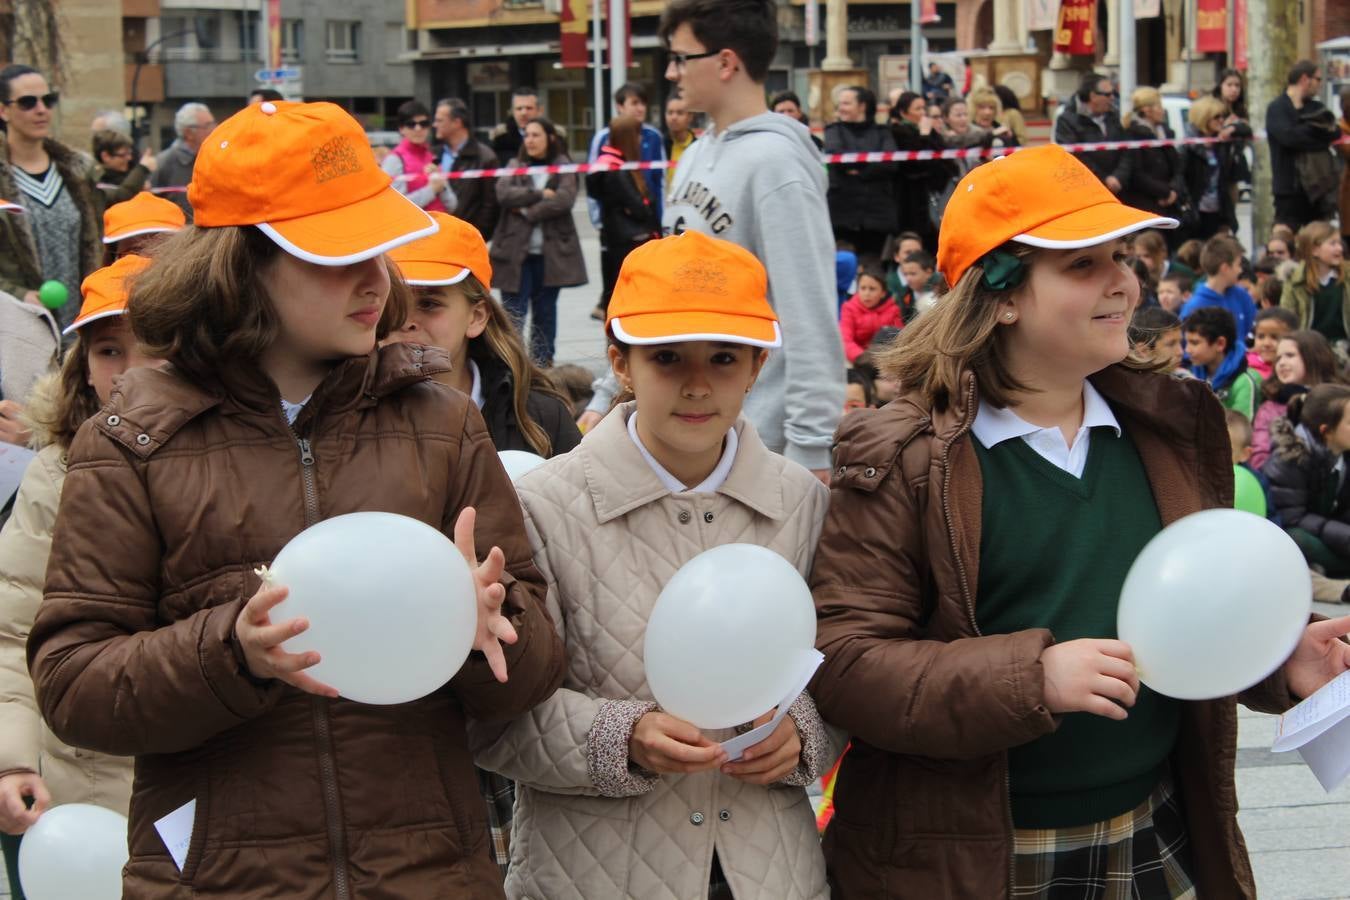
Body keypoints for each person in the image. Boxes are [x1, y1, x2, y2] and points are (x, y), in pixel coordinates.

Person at [25, 99, 567, 897]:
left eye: (379, 250)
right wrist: (231, 652)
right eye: (334, 255)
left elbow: (531, 673)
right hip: (218, 880)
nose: (374, 279)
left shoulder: (443, 423)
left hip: (426, 876)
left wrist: (489, 628)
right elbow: (73, 686)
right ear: (239, 263)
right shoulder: (132, 440)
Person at [809, 142, 1350, 899]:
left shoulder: (1172, 425)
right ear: (1000, 296)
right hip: (975, 861)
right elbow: (845, 663)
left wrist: (1275, 660)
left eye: (1123, 257)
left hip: (1157, 832)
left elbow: (1185, 621)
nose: (1125, 284)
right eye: (1083, 264)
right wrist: (1032, 677)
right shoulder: (902, 454)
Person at [469, 231, 840, 900]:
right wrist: (620, 738)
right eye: (667, 358)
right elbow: (489, 715)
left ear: (756, 366)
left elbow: (843, 668)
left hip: (769, 870)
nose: (697, 384)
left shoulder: (802, 504)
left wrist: (807, 732)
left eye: (724, 358)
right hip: (591, 874)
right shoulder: (541, 506)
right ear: (620, 360)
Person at [385, 212, 579, 875]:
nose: (408, 320)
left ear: (475, 317)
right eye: (394, 302)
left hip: (514, 677)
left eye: (431, 304)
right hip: (404, 688)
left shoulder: (539, 415)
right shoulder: (349, 418)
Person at [584, 0, 845, 481]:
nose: (670, 72)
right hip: (689, 433)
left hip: (758, 439)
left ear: (726, 62)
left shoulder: (777, 164)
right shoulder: (698, 152)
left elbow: (809, 314)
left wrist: (811, 449)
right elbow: (656, 289)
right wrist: (607, 393)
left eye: (682, 58)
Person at [0, 256, 161, 899]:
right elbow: (15, 628)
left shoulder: (233, 470)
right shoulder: (53, 475)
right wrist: (12, 756)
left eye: (154, 346)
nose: (129, 370)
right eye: (108, 350)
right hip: (83, 786)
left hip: (209, 786)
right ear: (83, 367)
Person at [0, 65, 104, 333]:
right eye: (27, 102)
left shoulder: (79, 173)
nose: (41, 109)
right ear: (3, 111)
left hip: (80, 326)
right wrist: (18, 294)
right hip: (17, 327)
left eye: (48, 100)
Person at [491, 117, 587, 367]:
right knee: (513, 313)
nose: (530, 140)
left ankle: (543, 365)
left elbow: (564, 199)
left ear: (550, 138)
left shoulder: (563, 166)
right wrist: (539, 194)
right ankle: (512, 363)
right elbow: (503, 193)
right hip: (515, 254)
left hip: (550, 255)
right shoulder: (515, 163)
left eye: (536, 135)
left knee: (545, 313)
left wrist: (527, 212)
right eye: (527, 135)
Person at [1264, 384, 1350, 577]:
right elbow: (1292, 517)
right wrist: (1344, 536)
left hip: (1328, 528)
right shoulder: (1290, 458)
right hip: (1297, 530)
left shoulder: (1344, 454)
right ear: (1326, 431)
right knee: (1297, 539)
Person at [587, 117, 661, 320]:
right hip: (629, 242)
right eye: (637, 135)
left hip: (619, 240)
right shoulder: (616, 170)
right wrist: (645, 203)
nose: (640, 140)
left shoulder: (609, 164)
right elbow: (639, 207)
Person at [824, 86, 899, 260]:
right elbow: (838, 157)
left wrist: (859, 172)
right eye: (840, 103)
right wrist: (870, 166)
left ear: (862, 106)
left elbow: (890, 164)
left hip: (876, 216)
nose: (840, 108)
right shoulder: (834, 131)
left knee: (872, 267)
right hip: (842, 215)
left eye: (846, 103)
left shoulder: (882, 132)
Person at [1251, 328, 1340, 470]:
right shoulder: (1270, 407)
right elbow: (1259, 457)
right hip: (1284, 483)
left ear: (1314, 357)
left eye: (1290, 355)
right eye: (1278, 357)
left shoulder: (1338, 401)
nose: (1281, 363)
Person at [1266, 60, 1338, 233]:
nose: (1320, 85)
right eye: (1318, 79)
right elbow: (1288, 137)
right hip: (1288, 189)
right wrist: (1315, 134)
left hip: (1317, 190)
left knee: (1317, 240)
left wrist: (1305, 133)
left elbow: (1332, 132)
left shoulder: (1317, 107)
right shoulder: (1277, 108)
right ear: (1305, 79)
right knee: (1286, 238)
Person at [588, 82, 666, 225]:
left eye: (643, 103)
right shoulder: (602, 138)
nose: (641, 108)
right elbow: (593, 181)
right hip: (615, 225)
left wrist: (662, 218)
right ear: (620, 106)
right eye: (635, 103)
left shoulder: (654, 136)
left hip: (648, 219)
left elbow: (660, 181)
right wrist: (598, 220)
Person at [1120, 87, 1186, 241]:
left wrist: (1174, 190)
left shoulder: (1166, 133)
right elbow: (1137, 174)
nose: (1162, 111)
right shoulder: (1133, 134)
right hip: (1146, 204)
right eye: (1159, 106)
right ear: (1147, 110)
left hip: (1169, 203)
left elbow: (1177, 166)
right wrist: (1164, 192)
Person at [889, 91, 950, 251]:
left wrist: (929, 134)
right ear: (904, 112)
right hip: (910, 195)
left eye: (924, 108)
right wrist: (923, 135)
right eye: (917, 109)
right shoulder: (898, 132)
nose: (923, 113)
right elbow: (913, 162)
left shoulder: (930, 129)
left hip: (933, 190)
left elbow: (943, 153)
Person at [432, 98, 501, 240]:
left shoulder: (485, 157)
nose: (434, 125)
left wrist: (477, 236)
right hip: (435, 236)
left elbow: (490, 205)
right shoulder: (433, 155)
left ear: (457, 122)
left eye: (440, 120)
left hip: (466, 239)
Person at [1054, 72, 1133, 195]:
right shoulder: (1067, 120)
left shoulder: (1114, 116)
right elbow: (1074, 156)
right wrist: (1104, 179)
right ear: (1092, 96)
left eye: (1113, 93)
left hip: (1119, 188)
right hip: (1087, 190)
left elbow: (1127, 149)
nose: (1112, 98)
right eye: (1107, 94)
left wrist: (1118, 176)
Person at [1181, 96, 1247, 241]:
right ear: (1204, 118)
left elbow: (1246, 130)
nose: (1221, 120)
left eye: (1223, 117)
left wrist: (1232, 128)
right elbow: (1181, 179)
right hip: (1197, 210)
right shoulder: (1189, 146)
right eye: (1216, 117)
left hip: (1218, 209)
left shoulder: (1221, 142)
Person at [1185, 305, 1263, 418]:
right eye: (1187, 342)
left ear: (1220, 344)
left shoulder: (1245, 382)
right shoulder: (1190, 376)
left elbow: (1240, 431)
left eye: (1195, 343)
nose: (1187, 350)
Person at [1180, 234, 1257, 347]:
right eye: (1238, 265)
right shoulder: (1195, 307)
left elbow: (1251, 331)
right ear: (1225, 268)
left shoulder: (1242, 296)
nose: (1240, 270)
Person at [1281, 222, 1349, 348]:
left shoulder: (1347, 278)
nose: (1340, 248)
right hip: (1309, 349)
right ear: (1314, 250)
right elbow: (1286, 320)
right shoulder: (1295, 281)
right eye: (1333, 243)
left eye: (1339, 243)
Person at [382, 100, 455, 216]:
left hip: (441, 226)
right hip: (414, 230)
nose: (418, 128)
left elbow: (452, 204)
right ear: (401, 129)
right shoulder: (394, 160)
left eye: (424, 123)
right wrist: (431, 190)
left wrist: (442, 184)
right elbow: (395, 207)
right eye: (411, 124)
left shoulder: (432, 156)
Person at [150, 101, 215, 220]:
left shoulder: (214, 158)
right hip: (179, 233)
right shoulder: (163, 163)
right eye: (207, 126)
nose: (214, 130)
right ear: (188, 133)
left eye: (213, 124)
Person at [100, 190, 185, 263]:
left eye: (159, 250)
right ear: (114, 258)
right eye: (134, 252)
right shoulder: (98, 281)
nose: (145, 260)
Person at [839, 265, 901, 362]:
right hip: (857, 359)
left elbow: (900, 338)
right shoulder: (849, 308)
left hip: (884, 360)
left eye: (872, 289)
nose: (867, 293)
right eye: (863, 288)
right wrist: (861, 357)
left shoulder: (893, 310)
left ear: (883, 293)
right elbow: (845, 339)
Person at [89, 128, 155, 205]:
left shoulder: (129, 176)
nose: (129, 158)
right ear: (106, 156)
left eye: (130, 153)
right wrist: (142, 168)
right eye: (124, 154)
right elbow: (122, 196)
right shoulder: (95, 181)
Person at [937, 96, 992, 178]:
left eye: (965, 114)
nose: (963, 119)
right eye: (958, 115)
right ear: (946, 118)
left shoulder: (978, 132)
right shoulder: (941, 135)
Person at [1128, 305, 1185, 372]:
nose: (1180, 352)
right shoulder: (1127, 381)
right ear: (1143, 351)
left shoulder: (1183, 376)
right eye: (1171, 344)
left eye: (1181, 342)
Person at [1248, 306, 1298, 380]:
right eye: (1261, 337)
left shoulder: (1297, 372)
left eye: (1275, 337)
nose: (1266, 343)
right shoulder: (1245, 368)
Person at [663, 87, 699, 189]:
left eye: (679, 113)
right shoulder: (659, 146)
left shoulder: (699, 148)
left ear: (690, 116)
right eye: (670, 112)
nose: (674, 117)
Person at [491, 86, 539, 160]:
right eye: (519, 109)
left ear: (539, 111)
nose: (523, 113)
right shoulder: (501, 139)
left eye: (529, 108)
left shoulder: (552, 136)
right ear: (512, 112)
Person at [896, 249, 938, 322]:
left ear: (928, 272)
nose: (908, 278)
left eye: (913, 273)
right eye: (905, 274)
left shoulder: (940, 293)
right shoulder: (904, 295)